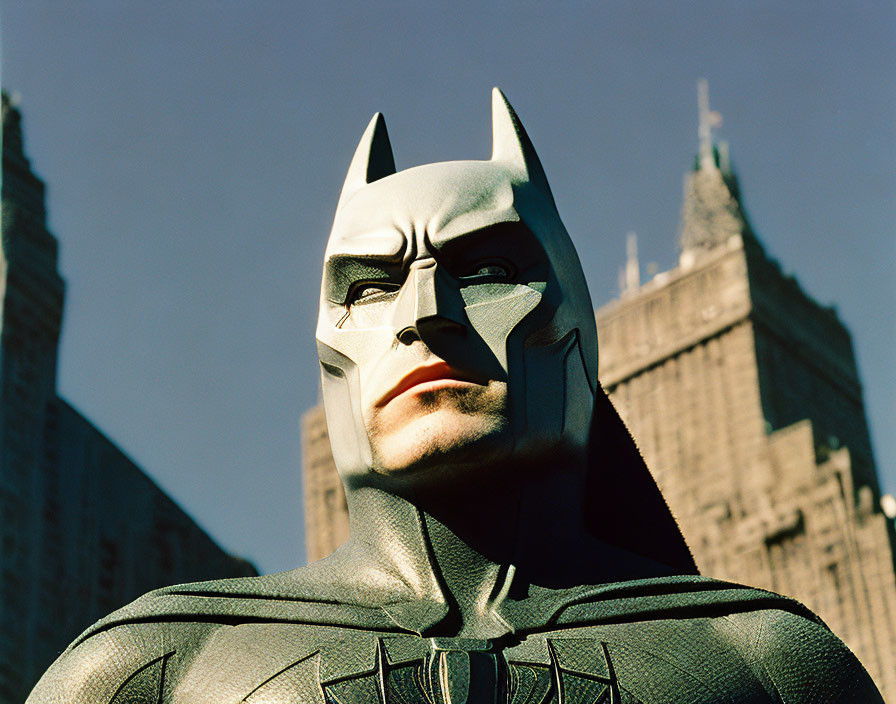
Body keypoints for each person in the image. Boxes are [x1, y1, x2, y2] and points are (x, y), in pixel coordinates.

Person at [28, 89, 881, 703]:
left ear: (572, 318)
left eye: (489, 271)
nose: (423, 316)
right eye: (369, 285)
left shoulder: (768, 664)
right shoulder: (158, 664)